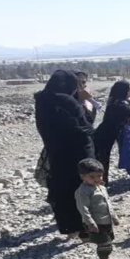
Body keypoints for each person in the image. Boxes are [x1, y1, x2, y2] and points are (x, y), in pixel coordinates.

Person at [34, 70, 95, 239]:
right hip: (78, 153)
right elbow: (86, 128)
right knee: (81, 189)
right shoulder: (67, 101)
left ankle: (70, 229)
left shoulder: (42, 100)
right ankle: (85, 228)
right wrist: (85, 104)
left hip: (56, 152)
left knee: (63, 191)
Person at [75, 158, 126, 259]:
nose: (97, 179)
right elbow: (83, 208)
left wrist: (114, 217)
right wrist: (90, 223)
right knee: (104, 243)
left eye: (99, 176)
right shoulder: (83, 191)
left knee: (109, 240)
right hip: (96, 223)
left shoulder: (101, 187)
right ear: (82, 176)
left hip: (106, 221)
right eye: (92, 177)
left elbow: (108, 203)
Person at [94, 80, 130, 191]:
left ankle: (101, 182)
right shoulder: (121, 103)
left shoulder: (113, 101)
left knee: (102, 157)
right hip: (113, 133)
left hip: (107, 132)